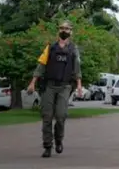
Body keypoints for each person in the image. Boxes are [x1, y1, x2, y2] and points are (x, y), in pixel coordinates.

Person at [27, 20, 83, 158]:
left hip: (65, 86)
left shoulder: (73, 49)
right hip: (49, 86)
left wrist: (79, 85)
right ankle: (47, 146)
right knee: (47, 116)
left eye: (67, 29)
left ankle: (59, 140)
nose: (64, 31)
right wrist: (32, 83)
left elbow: (77, 69)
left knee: (61, 116)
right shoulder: (50, 48)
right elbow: (41, 66)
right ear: (58, 30)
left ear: (71, 32)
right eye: (61, 28)